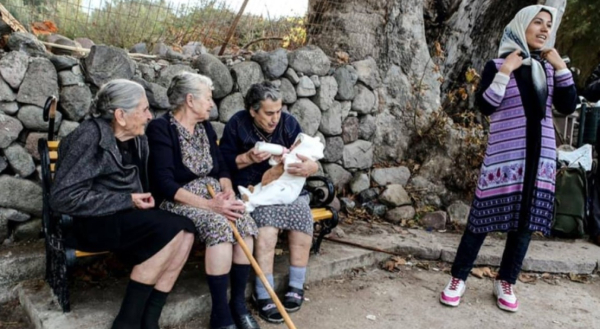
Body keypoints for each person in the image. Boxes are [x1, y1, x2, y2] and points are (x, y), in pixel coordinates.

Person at [439, 5, 577, 313]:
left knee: (525, 224)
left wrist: (562, 68)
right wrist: (505, 72)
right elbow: (486, 106)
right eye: (538, 22)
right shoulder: (497, 64)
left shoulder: (549, 69)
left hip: (539, 160)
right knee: (481, 220)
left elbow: (567, 107)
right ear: (521, 25)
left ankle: (506, 280)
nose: (544, 29)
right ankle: (458, 278)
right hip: (505, 160)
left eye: (548, 25)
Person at [50, 79, 196, 329]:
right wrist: (126, 199)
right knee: (170, 230)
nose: (150, 116)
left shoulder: (135, 138)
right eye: (144, 109)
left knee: (186, 229)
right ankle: (127, 322)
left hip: (123, 217)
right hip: (91, 223)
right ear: (120, 114)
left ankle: (150, 319)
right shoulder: (88, 137)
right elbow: (62, 198)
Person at [146, 72, 260, 329]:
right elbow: (163, 183)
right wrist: (211, 206)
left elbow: (221, 167)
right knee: (220, 225)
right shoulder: (161, 128)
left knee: (243, 221)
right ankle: (220, 314)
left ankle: (238, 306)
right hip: (179, 200)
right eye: (207, 98)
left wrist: (227, 191)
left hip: (212, 196)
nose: (211, 104)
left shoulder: (205, 128)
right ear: (190, 100)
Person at [219, 82, 320, 323]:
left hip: (288, 189)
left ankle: (296, 285)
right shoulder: (238, 124)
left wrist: (310, 167)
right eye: (268, 113)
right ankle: (264, 293)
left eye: (278, 111)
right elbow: (222, 163)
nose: (276, 118)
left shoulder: (289, 123)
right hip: (254, 192)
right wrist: (247, 158)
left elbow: (310, 155)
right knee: (266, 226)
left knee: (301, 216)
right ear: (253, 111)